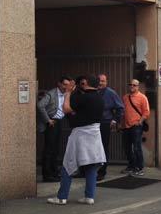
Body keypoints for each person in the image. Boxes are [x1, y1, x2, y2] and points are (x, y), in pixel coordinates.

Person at [47, 75, 105, 205]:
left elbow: (66, 109)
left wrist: (68, 93)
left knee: (68, 164)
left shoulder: (83, 97)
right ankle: (89, 196)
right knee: (91, 165)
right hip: (95, 134)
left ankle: (62, 197)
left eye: (82, 83)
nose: (80, 85)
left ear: (85, 83)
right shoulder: (100, 99)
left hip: (80, 134)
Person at [37, 76, 72, 182]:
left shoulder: (67, 94)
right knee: (49, 149)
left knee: (56, 149)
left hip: (59, 122)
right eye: (64, 84)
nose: (66, 87)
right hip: (51, 123)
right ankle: (47, 174)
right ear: (59, 84)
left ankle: (55, 172)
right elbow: (40, 105)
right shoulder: (51, 94)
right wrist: (47, 120)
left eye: (68, 85)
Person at [96, 73, 124, 181]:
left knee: (103, 147)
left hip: (105, 123)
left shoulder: (111, 93)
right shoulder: (93, 91)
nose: (100, 83)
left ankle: (102, 171)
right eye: (99, 80)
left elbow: (120, 107)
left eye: (103, 81)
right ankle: (87, 170)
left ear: (106, 82)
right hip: (93, 123)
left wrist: (115, 119)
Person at [121, 79, 150, 176]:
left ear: (138, 86)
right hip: (126, 126)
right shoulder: (125, 97)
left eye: (134, 85)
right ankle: (131, 165)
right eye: (130, 85)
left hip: (136, 126)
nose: (132, 86)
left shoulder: (142, 97)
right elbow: (123, 111)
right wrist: (121, 124)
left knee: (137, 147)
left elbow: (146, 112)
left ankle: (139, 167)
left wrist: (140, 122)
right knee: (127, 147)